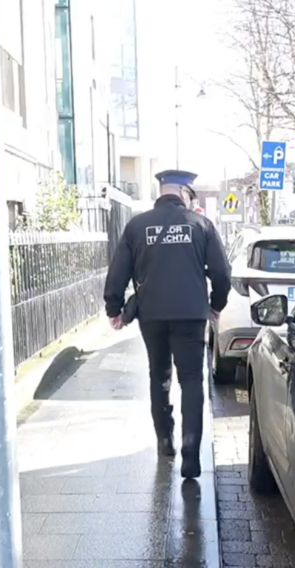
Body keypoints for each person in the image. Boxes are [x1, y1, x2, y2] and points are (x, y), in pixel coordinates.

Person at [103, 169, 231, 478]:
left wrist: (114, 307)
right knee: (191, 380)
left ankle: (165, 440)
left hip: (152, 314)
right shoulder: (201, 225)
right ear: (185, 192)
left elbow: (118, 270)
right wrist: (216, 305)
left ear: (160, 191)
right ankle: (191, 456)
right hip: (191, 315)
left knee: (158, 375)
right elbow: (222, 274)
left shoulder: (137, 226)